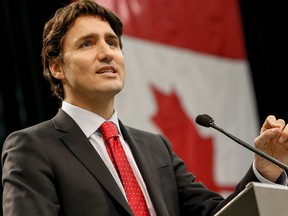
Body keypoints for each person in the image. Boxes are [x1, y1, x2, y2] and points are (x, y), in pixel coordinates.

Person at [2, 0, 288, 215]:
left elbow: (217, 213)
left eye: (112, 43)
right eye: (87, 44)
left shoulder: (155, 147)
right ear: (56, 67)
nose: (106, 53)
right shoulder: (32, 147)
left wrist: (264, 170)